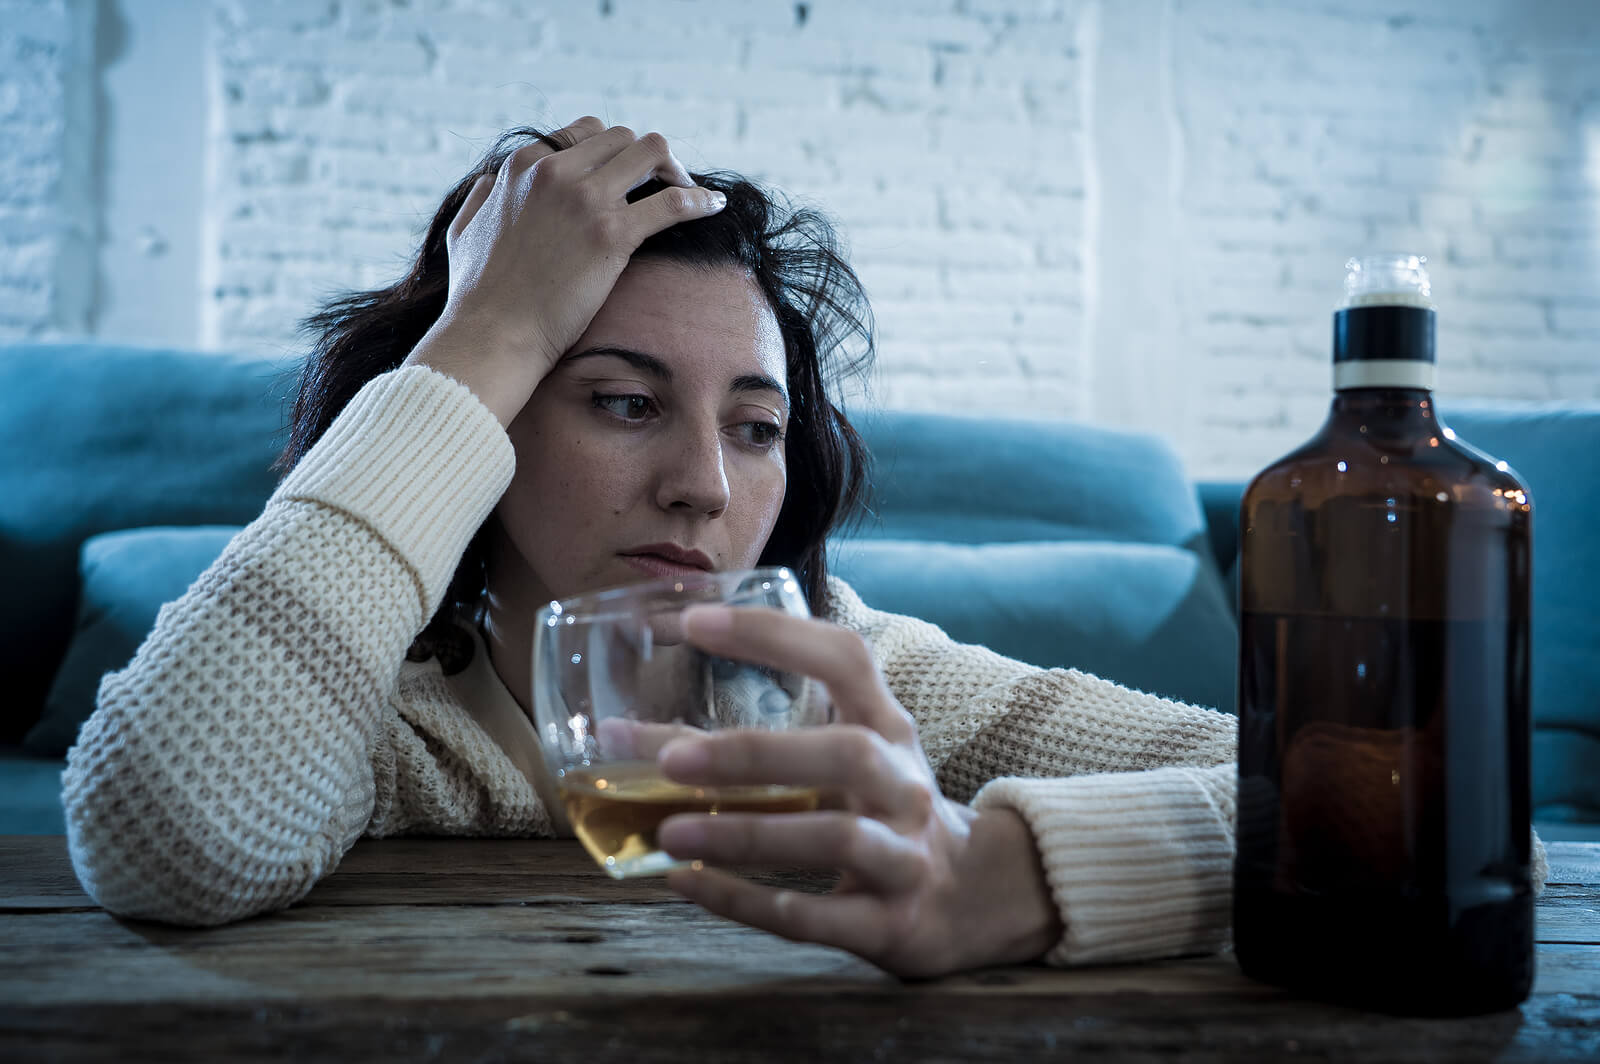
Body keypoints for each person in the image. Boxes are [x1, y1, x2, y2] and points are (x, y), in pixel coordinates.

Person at [60, 119, 1546, 979]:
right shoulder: (375, 708)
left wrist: (1014, 878)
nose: (705, 486)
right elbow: (164, 831)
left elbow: (1417, 812)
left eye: (757, 428)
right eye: (623, 403)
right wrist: (492, 322)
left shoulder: (846, 681)